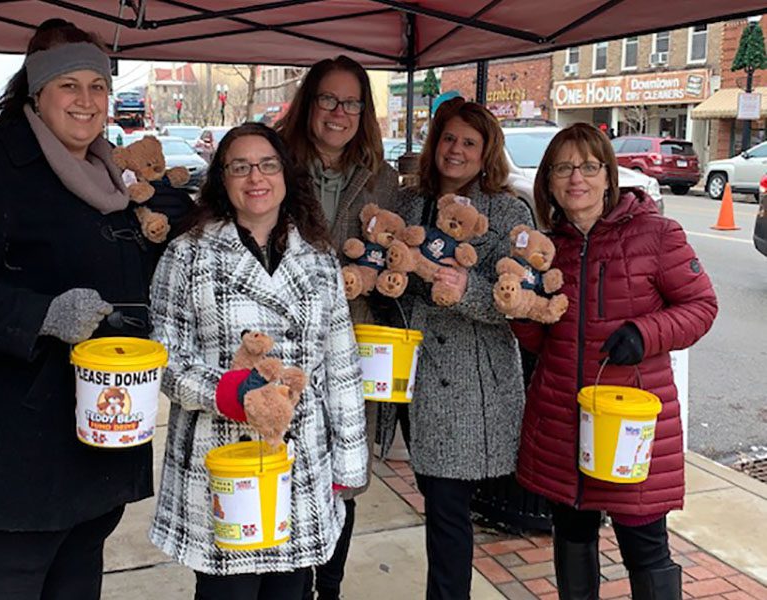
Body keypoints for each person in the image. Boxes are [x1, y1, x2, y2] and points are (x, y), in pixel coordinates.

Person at [0, 19, 169, 599]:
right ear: (36, 94)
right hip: (8, 443)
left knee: (77, 579)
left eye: (97, 86)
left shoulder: (108, 175)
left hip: (93, 431)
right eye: (68, 85)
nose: (86, 100)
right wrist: (42, 314)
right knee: (10, 583)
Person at [147, 122, 368, 600]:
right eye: (240, 167)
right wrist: (235, 394)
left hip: (299, 456)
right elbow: (165, 359)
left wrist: (349, 461)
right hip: (223, 457)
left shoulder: (319, 258)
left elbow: (342, 364)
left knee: (290, 590)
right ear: (221, 180)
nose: (256, 178)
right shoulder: (187, 255)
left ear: (286, 174)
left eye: (267, 164)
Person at [513, 123, 717, 600]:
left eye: (588, 166)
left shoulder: (657, 234)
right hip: (564, 418)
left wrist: (644, 333)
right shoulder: (547, 250)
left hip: (631, 426)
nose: (576, 178)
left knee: (645, 546)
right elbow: (541, 341)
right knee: (573, 536)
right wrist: (520, 312)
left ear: (609, 175)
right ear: (548, 182)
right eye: (563, 168)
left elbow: (702, 306)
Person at [393, 98, 534, 599]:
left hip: (472, 384)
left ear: (486, 151)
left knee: (449, 511)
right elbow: (396, 280)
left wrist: (462, 288)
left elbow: (520, 302)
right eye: (449, 139)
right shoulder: (410, 203)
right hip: (414, 374)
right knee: (438, 500)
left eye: (469, 143)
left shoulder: (508, 209)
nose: (456, 151)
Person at [275, 55, 399, 600]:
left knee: (343, 478)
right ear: (309, 103)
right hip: (282, 342)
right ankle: (288, 584)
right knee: (284, 467)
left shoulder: (382, 178)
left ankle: (330, 586)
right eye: (328, 98)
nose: (338, 112)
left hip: (352, 343)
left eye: (351, 102)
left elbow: (394, 252)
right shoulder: (275, 162)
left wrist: (372, 272)